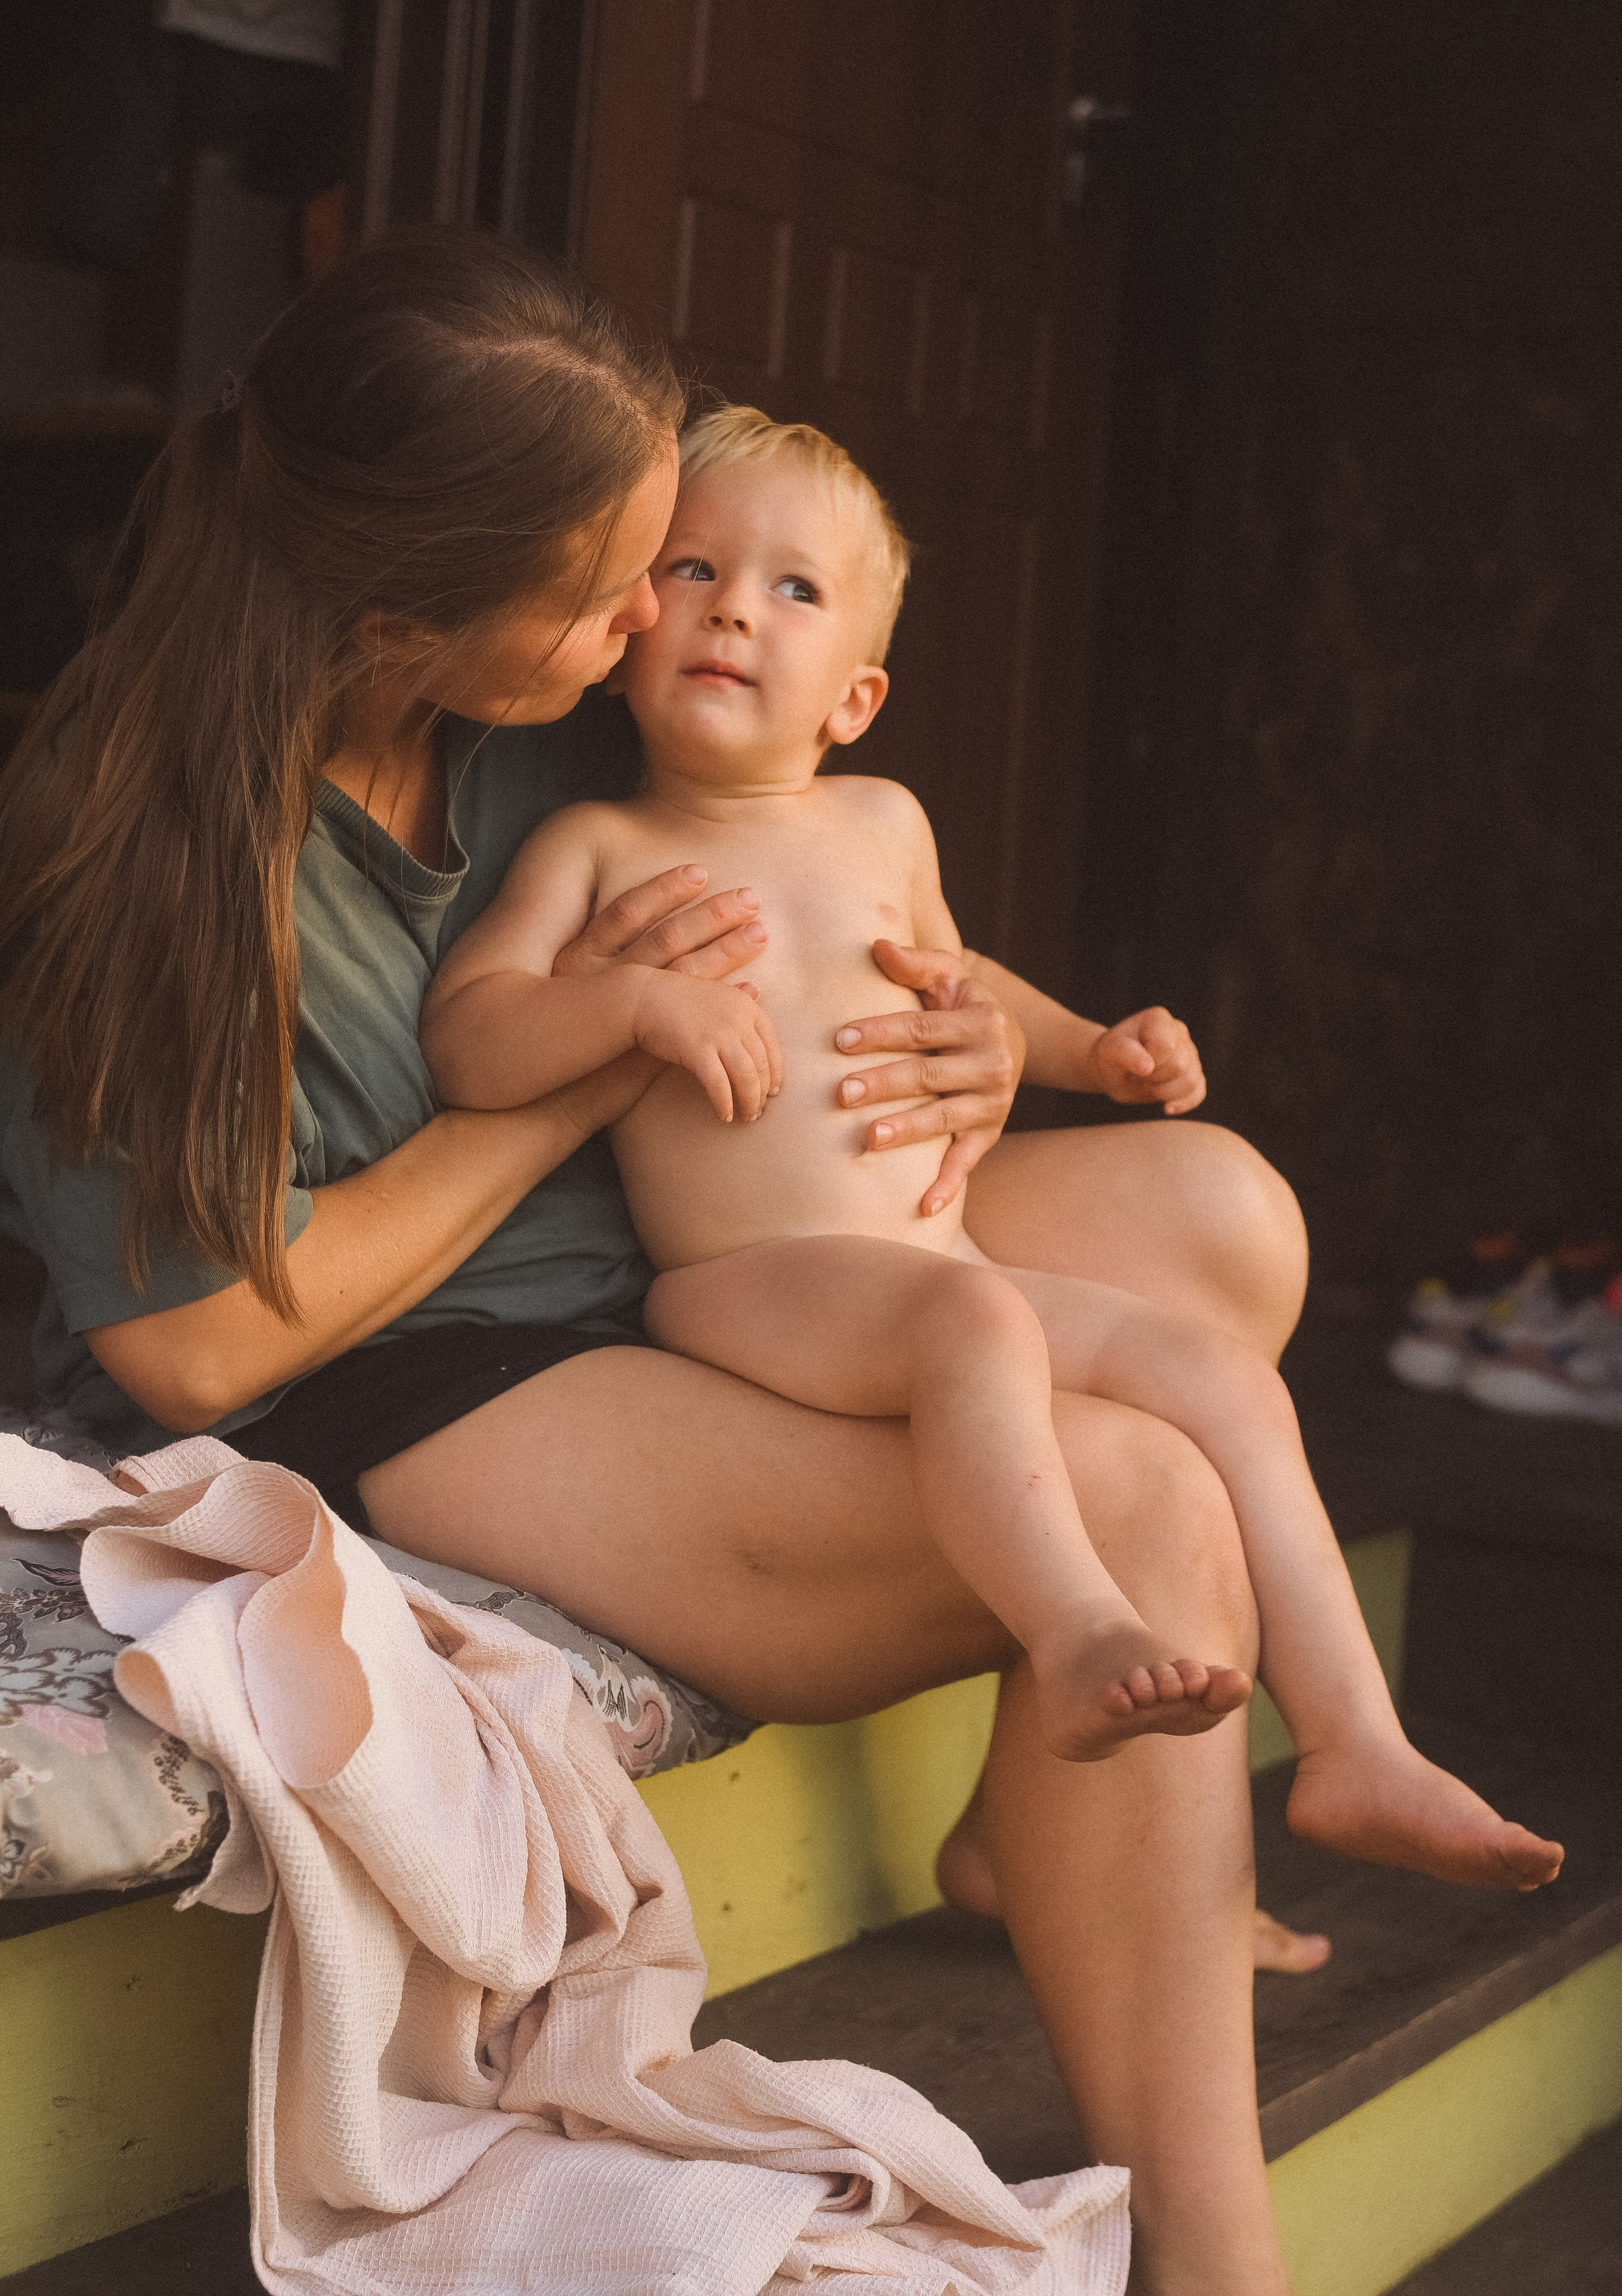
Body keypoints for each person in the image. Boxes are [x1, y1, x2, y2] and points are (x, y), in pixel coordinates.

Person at [0, 227, 1341, 2293]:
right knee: (1144, 1488)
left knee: (1216, 1216)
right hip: (446, 1366)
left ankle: (1044, 1821)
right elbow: (190, 1345)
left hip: (690, 1231)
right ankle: (1226, 2260)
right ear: (401, 616)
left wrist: (975, 1035)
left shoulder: (542, 703)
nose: (666, 613)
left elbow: (802, 894)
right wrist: (550, 1093)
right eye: (616, 581)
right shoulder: (126, 847)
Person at [421, 405, 1562, 1889]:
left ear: (854, 697)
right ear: (633, 626)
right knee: (973, 1316)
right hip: (749, 1285)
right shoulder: (596, 851)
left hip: (924, 1261)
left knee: (1207, 1368)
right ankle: (1078, 1627)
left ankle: (1355, 1744)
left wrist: (1087, 1048)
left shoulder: (884, 824)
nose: (730, 612)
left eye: (793, 591)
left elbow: (957, 989)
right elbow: (469, 1035)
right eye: (694, 570)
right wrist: (621, 1004)